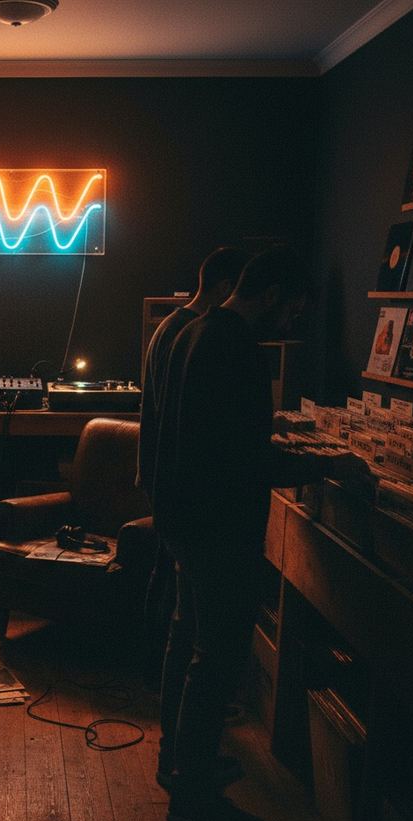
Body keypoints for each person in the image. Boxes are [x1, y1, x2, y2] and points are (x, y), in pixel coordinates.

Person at [151, 245, 369, 821]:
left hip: (182, 519)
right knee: (216, 660)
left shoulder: (194, 332)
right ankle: (193, 801)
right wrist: (324, 467)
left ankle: (179, 766)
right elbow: (243, 459)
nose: (293, 323)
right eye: (294, 309)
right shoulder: (236, 349)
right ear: (273, 296)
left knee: (188, 641)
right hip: (217, 528)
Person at [136, 246, 250, 691]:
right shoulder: (192, 333)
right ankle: (158, 677)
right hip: (174, 476)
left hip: (162, 472)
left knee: (167, 579)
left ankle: (157, 676)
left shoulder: (171, 326)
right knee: (171, 587)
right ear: (224, 288)